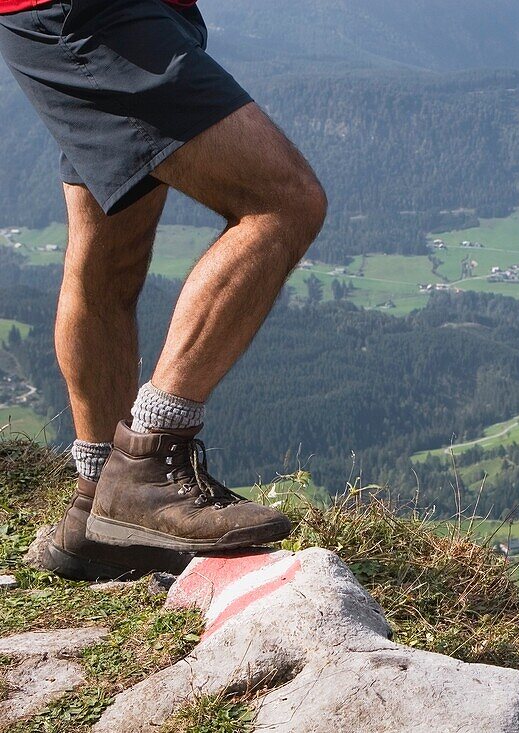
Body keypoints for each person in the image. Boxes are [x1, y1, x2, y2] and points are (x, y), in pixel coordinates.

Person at [0, 0, 326, 580]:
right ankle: (150, 459)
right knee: (282, 200)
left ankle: (96, 503)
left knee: (109, 256)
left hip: (108, 16)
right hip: (95, 17)